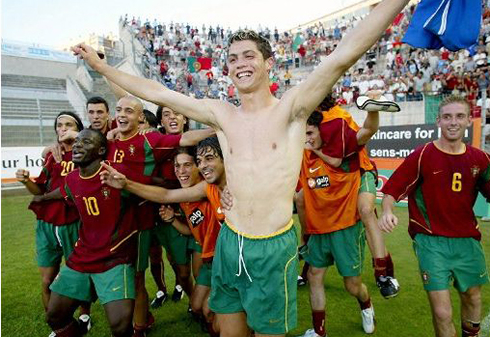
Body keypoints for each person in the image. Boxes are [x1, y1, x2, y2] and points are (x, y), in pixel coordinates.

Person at [73, 2, 410, 334]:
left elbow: (344, 54)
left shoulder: (292, 108)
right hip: (229, 240)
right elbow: (159, 93)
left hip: (271, 246)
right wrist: (101, 68)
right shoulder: (222, 114)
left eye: (249, 55)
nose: (240, 64)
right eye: (233, 59)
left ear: (268, 63)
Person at [379, 96, 490, 337]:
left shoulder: (480, 159)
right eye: (447, 116)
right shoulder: (423, 155)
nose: (453, 122)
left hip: (468, 241)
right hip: (431, 242)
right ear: (438, 120)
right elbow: (391, 190)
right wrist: (387, 211)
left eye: (460, 116)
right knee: (442, 313)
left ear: (469, 120)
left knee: (472, 297)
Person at [106, 95, 213, 336]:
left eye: (177, 112)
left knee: (203, 267)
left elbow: (189, 142)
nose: (172, 117)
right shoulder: (131, 140)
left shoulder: (166, 142)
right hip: (169, 215)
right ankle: (193, 303)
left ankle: (207, 308)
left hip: (199, 217)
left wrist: (221, 125)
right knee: (181, 271)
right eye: (166, 114)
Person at [33, 129, 138, 337]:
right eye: (78, 141)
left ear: (100, 151)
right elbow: (64, 192)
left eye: (86, 142)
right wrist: (43, 198)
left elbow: (144, 190)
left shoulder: (117, 174)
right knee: (55, 316)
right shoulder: (72, 179)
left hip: (114, 258)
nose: (78, 145)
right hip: (82, 256)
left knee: (120, 325)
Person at [295, 93, 399, 299]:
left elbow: (360, 137)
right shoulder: (310, 123)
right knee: (301, 200)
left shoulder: (337, 119)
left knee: (366, 211)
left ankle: (384, 274)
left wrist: (372, 110)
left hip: (360, 171)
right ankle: (307, 249)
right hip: (334, 176)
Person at [15, 111, 93, 335]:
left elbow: (74, 187)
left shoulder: (86, 154)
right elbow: (39, 190)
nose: (63, 128)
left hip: (72, 221)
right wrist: (26, 181)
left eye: (69, 124)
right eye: (60, 125)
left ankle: (84, 315)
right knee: (47, 278)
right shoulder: (52, 155)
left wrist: (79, 138)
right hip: (46, 223)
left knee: (78, 274)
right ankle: (58, 326)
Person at [298, 111, 375, 337]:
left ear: (324, 132)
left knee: (352, 286)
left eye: (310, 132)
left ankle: (366, 305)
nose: (307, 139)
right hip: (319, 231)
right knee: (314, 276)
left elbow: (366, 133)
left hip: (346, 229)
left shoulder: (346, 156)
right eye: (303, 134)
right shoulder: (303, 156)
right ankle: (320, 331)